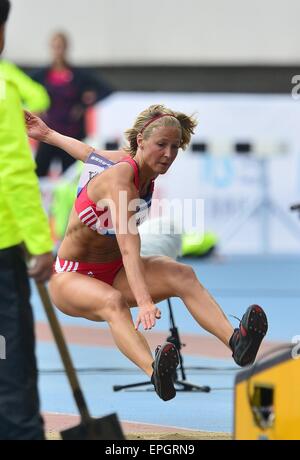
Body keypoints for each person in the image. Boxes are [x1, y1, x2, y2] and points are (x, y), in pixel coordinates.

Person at [25, 105, 268, 402]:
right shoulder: (120, 181)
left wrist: (47, 134)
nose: (168, 154)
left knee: (183, 274)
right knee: (114, 302)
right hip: (70, 277)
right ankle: (155, 373)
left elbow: (87, 153)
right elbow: (129, 245)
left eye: (175, 147)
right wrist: (144, 302)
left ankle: (237, 343)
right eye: (161, 145)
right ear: (141, 140)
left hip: (113, 272)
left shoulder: (134, 168)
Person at [0, 0, 53, 440]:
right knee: (8, 349)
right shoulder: (3, 86)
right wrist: (38, 241)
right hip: (2, 245)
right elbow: (14, 171)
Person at [32, 31, 113, 177]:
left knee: (70, 177)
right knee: (38, 176)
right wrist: (35, 106)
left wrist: (85, 103)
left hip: (71, 135)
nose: (58, 51)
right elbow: (24, 89)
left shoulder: (79, 75)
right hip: (47, 133)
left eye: (61, 47)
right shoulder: (42, 75)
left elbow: (106, 89)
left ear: (66, 48)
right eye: (55, 47)